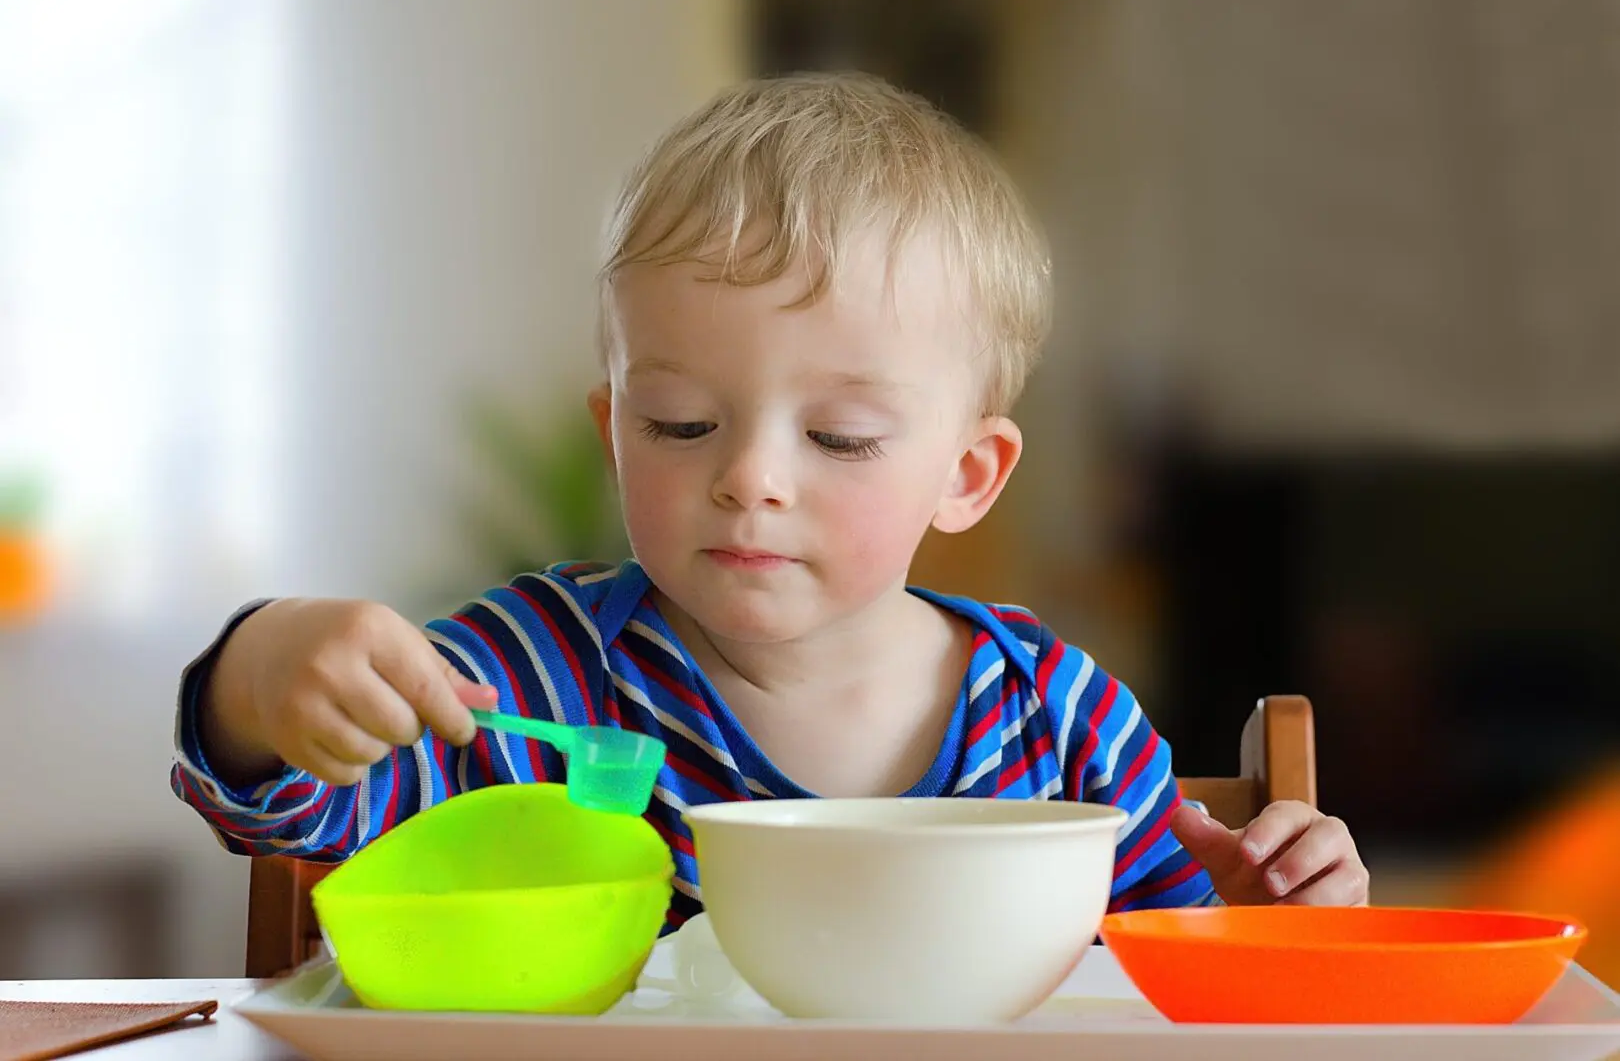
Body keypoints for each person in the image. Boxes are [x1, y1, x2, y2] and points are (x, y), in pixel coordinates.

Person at [171, 71, 1368, 931]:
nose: (749, 476)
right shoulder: (538, 681)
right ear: (613, 431)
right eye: (679, 425)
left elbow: (1179, 966)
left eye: (840, 436)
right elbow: (298, 816)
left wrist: (1268, 917)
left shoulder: (1057, 722)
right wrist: (261, 680)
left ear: (966, 475)